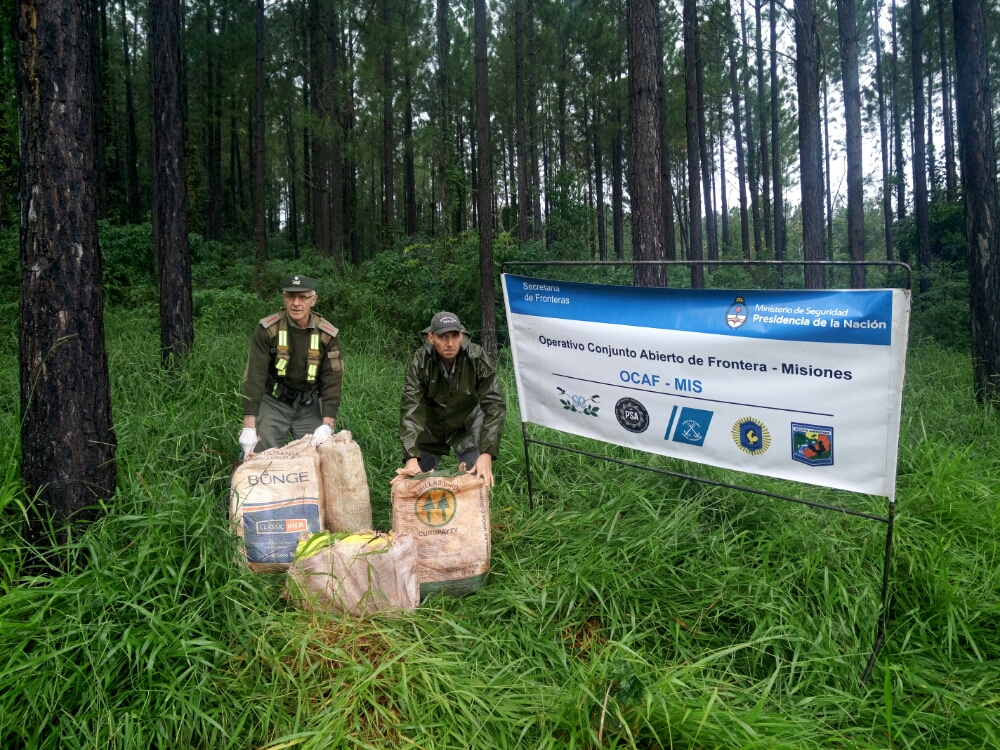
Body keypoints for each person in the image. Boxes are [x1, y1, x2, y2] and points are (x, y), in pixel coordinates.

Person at [397, 311, 506, 486]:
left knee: (476, 484)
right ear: (431, 338)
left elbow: (494, 402)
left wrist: (487, 452)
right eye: (442, 337)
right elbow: (411, 407)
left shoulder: (476, 357)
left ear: (461, 335)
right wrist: (410, 456)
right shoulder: (420, 360)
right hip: (431, 427)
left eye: (455, 336)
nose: (450, 343)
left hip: (468, 425)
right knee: (417, 484)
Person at [239, 275, 343, 457]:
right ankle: (238, 486)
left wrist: (327, 425)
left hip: (308, 404)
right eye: (291, 296)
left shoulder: (327, 334)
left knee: (321, 456)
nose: (296, 303)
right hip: (274, 401)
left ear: (313, 300)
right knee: (255, 454)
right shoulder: (268, 330)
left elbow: (332, 380)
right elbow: (255, 376)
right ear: (284, 298)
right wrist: (249, 426)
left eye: (302, 297)